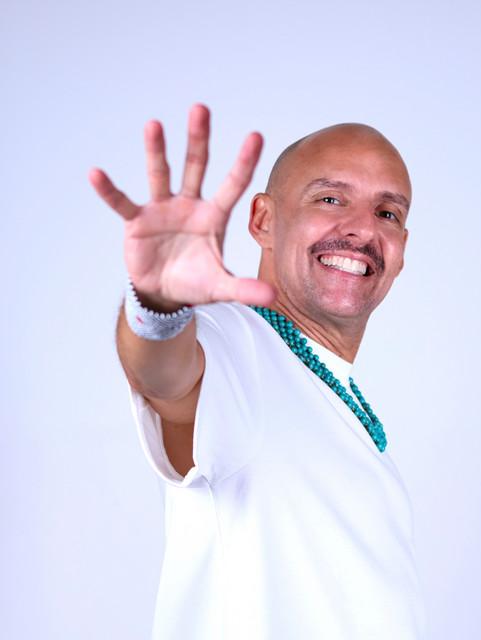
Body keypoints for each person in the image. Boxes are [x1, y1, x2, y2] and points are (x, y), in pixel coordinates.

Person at [89, 103, 426, 639]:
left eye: (387, 213)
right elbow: (164, 377)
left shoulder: (336, 394)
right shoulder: (235, 344)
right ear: (264, 221)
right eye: (330, 198)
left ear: (402, 250)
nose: (363, 228)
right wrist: (158, 302)